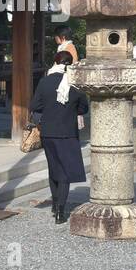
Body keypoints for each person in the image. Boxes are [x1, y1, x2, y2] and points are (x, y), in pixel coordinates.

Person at [29, 50, 89, 224]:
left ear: (55, 62)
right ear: (71, 64)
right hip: (67, 133)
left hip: (48, 132)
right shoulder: (75, 84)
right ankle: (61, 211)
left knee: (53, 168)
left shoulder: (45, 81)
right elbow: (83, 108)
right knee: (65, 172)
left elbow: (35, 105)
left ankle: (55, 204)